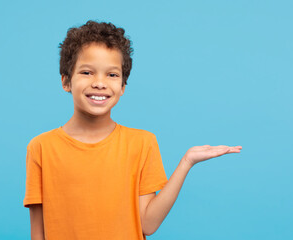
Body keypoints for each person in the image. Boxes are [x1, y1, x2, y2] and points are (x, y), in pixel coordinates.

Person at [23, 20, 242, 240]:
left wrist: (187, 162)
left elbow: (147, 224)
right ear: (66, 81)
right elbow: (38, 233)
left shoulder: (142, 143)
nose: (100, 83)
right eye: (87, 72)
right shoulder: (41, 147)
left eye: (112, 75)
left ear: (123, 87)